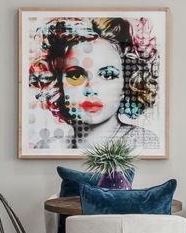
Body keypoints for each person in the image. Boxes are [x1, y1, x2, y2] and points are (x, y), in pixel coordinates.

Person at [27, 16, 162, 152]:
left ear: (126, 83)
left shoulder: (142, 142)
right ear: (57, 84)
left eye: (108, 75)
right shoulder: (49, 148)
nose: (90, 89)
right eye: (76, 75)